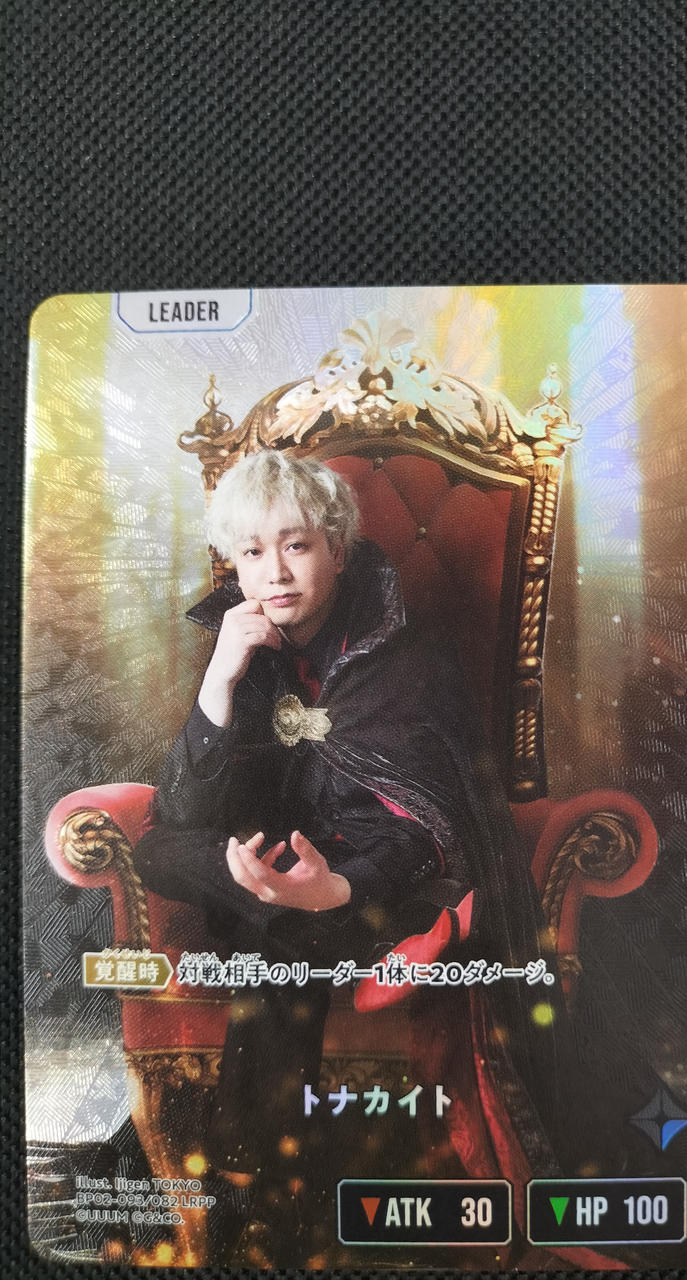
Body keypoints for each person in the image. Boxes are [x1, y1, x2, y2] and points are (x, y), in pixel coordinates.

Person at [133, 450, 608, 1263]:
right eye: (252, 552)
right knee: (160, 851)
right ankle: (265, 893)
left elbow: (432, 826)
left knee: (281, 938)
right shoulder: (241, 645)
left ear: (337, 549)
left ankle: (258, 1194)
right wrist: (220, 679)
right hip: (269, 861)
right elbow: (182, 815)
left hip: (376, 884)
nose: (275, 573)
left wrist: (336, 888)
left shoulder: (411, 655)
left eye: (296, 545)